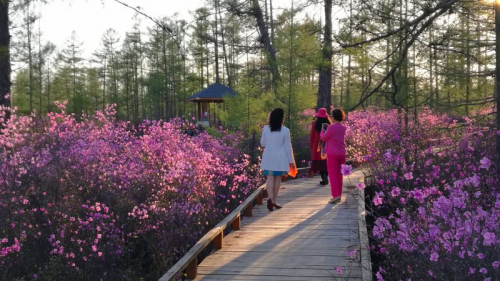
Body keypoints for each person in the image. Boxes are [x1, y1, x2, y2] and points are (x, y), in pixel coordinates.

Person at [260, 108, 295, 211]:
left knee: (269, 178)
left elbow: (263, 144)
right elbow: (288, 146)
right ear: (281, 118)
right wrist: (291, 161)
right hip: (280, 158)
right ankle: (274, 201)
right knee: (278, 179)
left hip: (269, 156)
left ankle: (270, 198)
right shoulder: (285, 130)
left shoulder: (266, 129)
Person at [320, 109, 347, 204]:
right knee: (340, 175)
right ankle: (339, 195)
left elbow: (324, 138)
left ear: (333, 117)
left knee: (332, 175)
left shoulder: (331, 127)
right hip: (342, 153)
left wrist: (322, 130)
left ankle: (335, 196)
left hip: (332, 153)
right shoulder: (343, 127)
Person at [310, 108, 331, 186]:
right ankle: (325, 177)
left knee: (320, 163)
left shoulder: (315, 124)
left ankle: (323, 177)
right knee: (326, 162)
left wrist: (311, 145)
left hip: (317, 145)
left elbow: (312, 136)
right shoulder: (329, 124)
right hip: (327, 145)